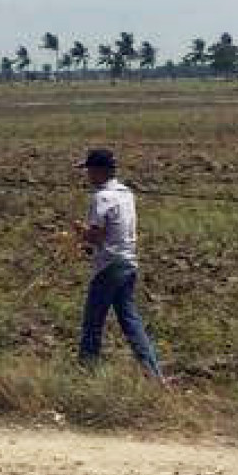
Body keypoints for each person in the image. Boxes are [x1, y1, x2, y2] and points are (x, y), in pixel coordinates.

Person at [72, 148, 165, 383]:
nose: (88, 176)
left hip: (108, 266)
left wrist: (78, 233)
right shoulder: (127, 194)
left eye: (90, 171)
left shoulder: (102, 197)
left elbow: (97, 236)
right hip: (128, 262)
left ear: (100, 171)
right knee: (130, 321)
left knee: (93, 322)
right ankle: (153, 374)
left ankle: (86, 373)